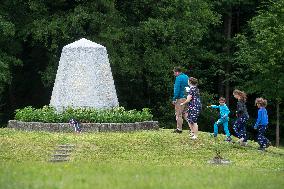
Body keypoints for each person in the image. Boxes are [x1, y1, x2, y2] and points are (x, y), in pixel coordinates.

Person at [172, 66, 190, 133]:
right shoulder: (186, 77)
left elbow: (177, 89)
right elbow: (188, 87)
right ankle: (192, 127)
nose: (174, 74)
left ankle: (179, 129)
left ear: (177, 72)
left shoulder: (178, 78)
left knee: (178, 114)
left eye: (174, 72)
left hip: (180, 98)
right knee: (185, 113)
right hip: (187, 97)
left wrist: (175, 98)